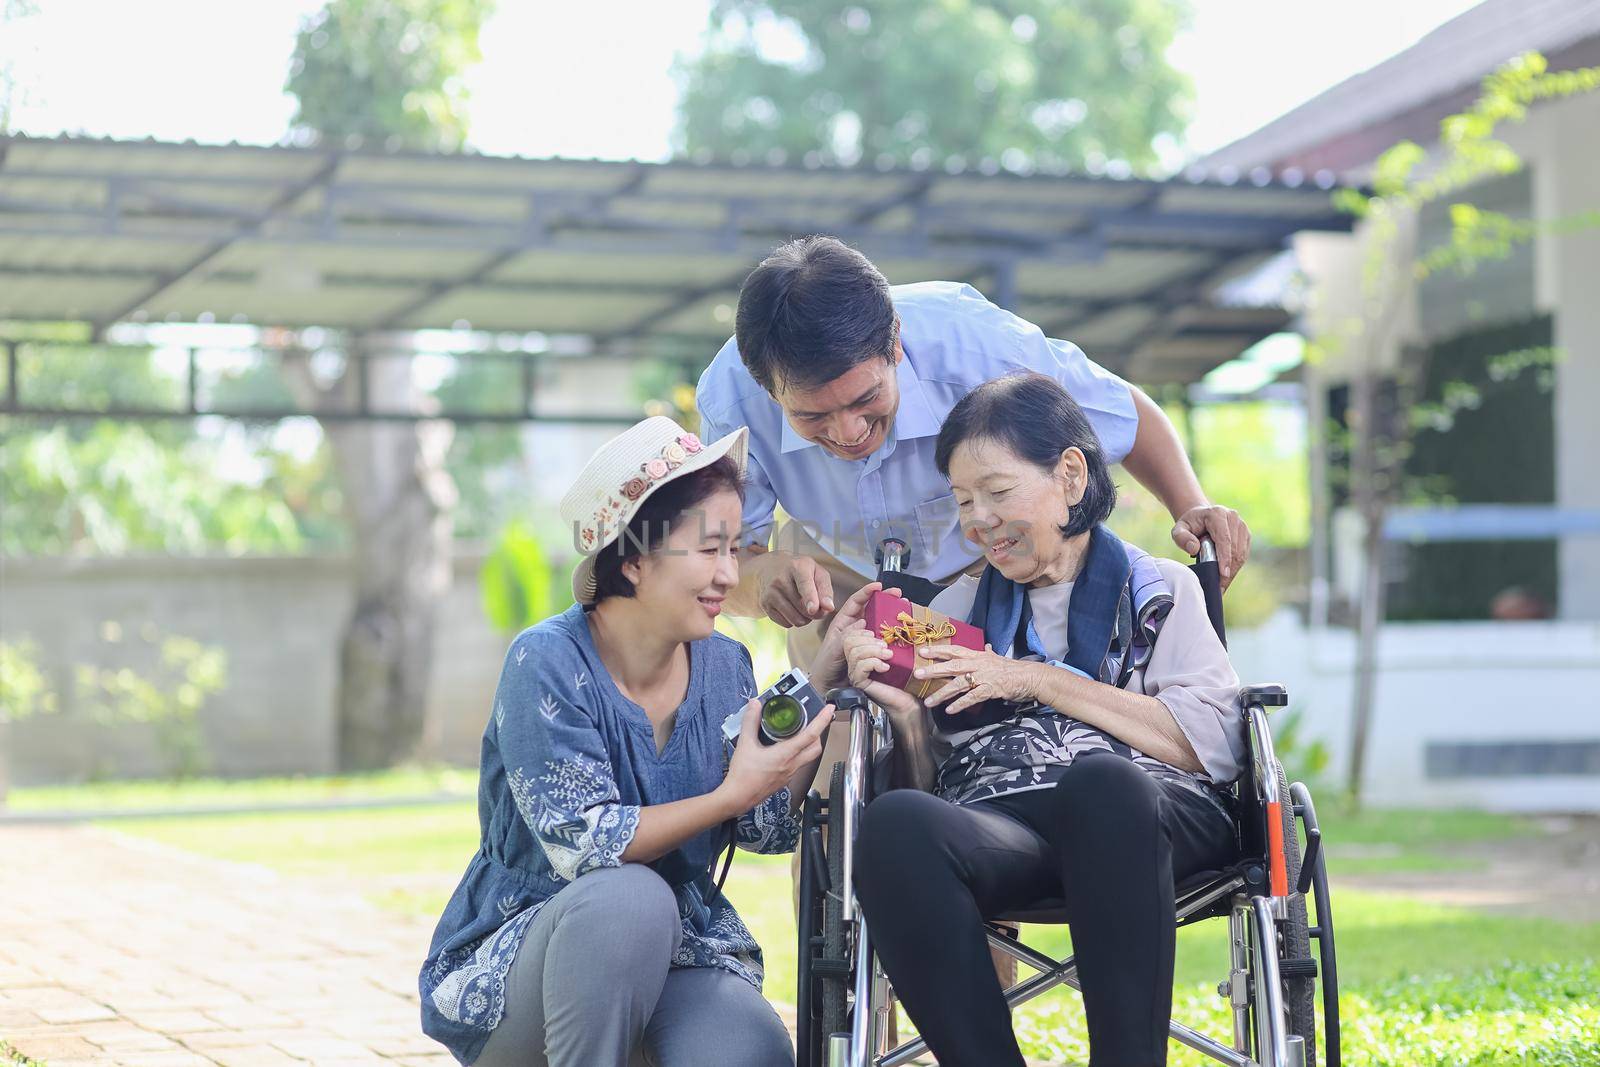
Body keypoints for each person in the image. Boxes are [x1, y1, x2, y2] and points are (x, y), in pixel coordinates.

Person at [696, 235, 1251, 793]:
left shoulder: (978, 343)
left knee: (1021, 737)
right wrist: (763, 575)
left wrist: (1193, 508)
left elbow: (1126, 417)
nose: (847, 433)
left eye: (866, 400)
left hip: (990, 563)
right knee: (836, 781)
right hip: (836, 572)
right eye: (813, 416)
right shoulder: (730, 401)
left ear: (894, 346)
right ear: (770, 393)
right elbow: (723, 565)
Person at [418, 416, 881, 1067]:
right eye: (709, 548)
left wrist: (820, 683)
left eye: (734, 549)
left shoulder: (725, 664)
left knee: (745, 1054)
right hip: (535, 954)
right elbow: (590, 846)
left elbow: (764, 826)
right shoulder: (546, 662)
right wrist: (729, 794)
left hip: (682, 951)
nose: (729, 575)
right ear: (633, 558)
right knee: (627, 897)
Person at [827, 373, 1245, 1067]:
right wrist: (905, 718)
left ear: (1071, 475)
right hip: (1008, 825)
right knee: (896, 821)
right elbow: (935, 784)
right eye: (964, 501)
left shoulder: (1162, 590)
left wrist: (1036, 679)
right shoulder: (948, 616)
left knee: (1102, 784)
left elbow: (1210, 743)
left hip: (1147, 820)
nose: (978, 520)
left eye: (996, 492)